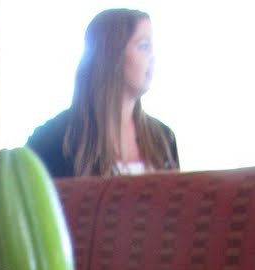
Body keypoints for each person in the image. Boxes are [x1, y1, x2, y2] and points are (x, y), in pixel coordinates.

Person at [27, 9, 179, 179]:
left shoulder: (163, 137)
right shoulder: (53, 139)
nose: (153, 58)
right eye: (144, 47)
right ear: (113, 55)